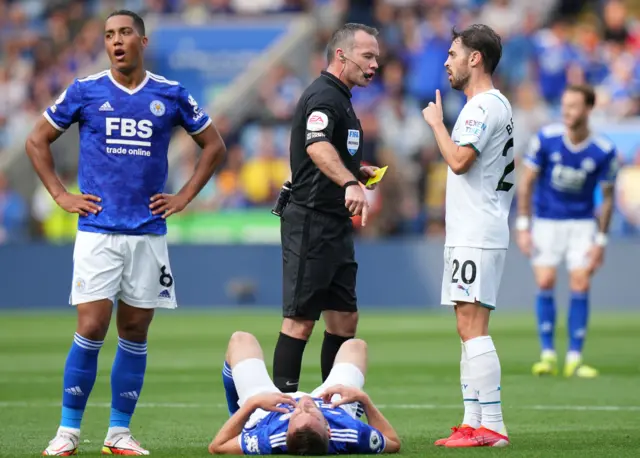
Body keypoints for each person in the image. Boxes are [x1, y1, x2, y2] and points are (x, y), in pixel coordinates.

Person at [25, 10, 226, 456]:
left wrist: (185, 196)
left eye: (124, 33)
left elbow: (214, 145)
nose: (116, 41)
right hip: (97, 229)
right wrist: (61, 194)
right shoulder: (85, 91)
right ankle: (67, 432)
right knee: (92, 325)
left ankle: (118, 434)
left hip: (148, 233)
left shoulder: (170, 94)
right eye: (109, 35)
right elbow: (36, 140)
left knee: (135, 331)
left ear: (142, 40)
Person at [272, 23, 381, 395]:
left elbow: (327, 152)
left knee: (344, 321)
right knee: (300, 321)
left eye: (376, 57)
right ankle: (282, 408)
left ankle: (330, 405)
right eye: (367, 56)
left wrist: (355, 171)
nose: (375, 64)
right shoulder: (324, 96)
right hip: (310, 221)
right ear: (341, 55)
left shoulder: (342, 98)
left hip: (334, 224)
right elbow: (317, 147)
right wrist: (349, 183)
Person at [422, 24, 514, 447]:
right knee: (466, 327)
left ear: (475, 58)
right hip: (475, 229)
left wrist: (437, 125)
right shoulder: (492, 105)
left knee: (472, 327)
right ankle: (472, 421)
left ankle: (492, 426)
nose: (446, 61)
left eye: (453, 52)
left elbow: (459, 160)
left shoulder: (480, 108)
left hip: (477, 230)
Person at [516, 84, 618, 378]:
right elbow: (527, 182)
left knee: (581, 282)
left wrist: (601, 240)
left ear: (588, 109)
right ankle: (547, 355)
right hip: (547, 221)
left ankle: (574, 357)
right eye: (564, 105)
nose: (567, 111)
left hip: (582, 223)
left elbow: (608, 197)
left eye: (573, 106)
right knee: (546, 280)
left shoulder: (603, 150)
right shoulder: (546, 140)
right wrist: (524, 225)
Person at [209, 331, 401, 455]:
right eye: (310, 414)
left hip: (267, 411)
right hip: (332, 405)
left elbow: (217, 447)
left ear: (286, 433)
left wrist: (253, 404)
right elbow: (393, 441)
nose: (303, 406)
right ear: (328, 429)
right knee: (355, 346)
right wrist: (363, 399)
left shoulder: (269, 439)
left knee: (241, 339)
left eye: (298, 415)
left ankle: (237, 417)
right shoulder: (350, 433)